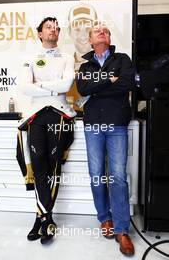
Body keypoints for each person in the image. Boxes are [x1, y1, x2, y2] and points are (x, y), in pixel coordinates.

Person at [76, 22, 135, 256]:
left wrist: (97, 87)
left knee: (118, 177)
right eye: (97, 31)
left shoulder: (122, 59)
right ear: (91, 41)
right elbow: (82, 89)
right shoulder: (85, 65)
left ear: (109, 39)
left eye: (106, 30)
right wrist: (108, 81)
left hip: (117, 123)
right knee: (96, 175)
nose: (102, 32)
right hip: (92, 125)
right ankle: (104, 218)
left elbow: (127, 84)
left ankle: (122, 230)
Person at [17, 17, 76, 245]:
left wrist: (39, 86)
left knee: (53, 164)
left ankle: (42, 217)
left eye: (56, 27)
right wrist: (52, 87)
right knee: (38, 164)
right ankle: (45, 217)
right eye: (48, 27)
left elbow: (66, 85)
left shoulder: (67, 57)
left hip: (59, 114)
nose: (53, 30)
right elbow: (24, 87)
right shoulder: (28, 58)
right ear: (40, 33)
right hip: (36, 115)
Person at [66, 3, 98, 111]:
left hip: (98, 121)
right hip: (71, 121)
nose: (83, 35)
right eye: (77, 29)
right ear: (69, 31)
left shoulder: (108, 64)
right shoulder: (65, 66)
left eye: (88, 29)